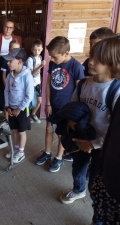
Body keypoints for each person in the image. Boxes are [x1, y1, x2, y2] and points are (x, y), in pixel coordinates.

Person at [60, 36, 120, 225]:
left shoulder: (115, 91)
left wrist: (93, 144)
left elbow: (115, 131)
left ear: (113, 64)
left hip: (102, 148)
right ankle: (78, 190)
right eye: (91, 55)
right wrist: (71, 122)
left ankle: (98, 217)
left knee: (97, 183)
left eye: (99, 60)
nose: (91, 62)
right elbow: (72, 105)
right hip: (81, 139)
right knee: (77, 170)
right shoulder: (84, 84)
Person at [34, 36, 84, 172]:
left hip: (66, 108)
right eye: (51, 57)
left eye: (55, 57)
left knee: (62, 133)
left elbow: (79, 92)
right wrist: (47, 103)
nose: (52, 60)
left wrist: (72, 111)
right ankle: (47, 152)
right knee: (49, 128)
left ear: (66, 53)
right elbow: (49, 84)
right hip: (53, 105)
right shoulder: (52, 63)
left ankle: (59, 158)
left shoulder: (76, 67)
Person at [3, 48, 34, 163]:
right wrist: (7, 106)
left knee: (21, 131)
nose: (8, 63)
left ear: (20, 62)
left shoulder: (27, 76)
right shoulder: (10, 75)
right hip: (11, 108)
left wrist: (19, 109)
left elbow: (29, 95)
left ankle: (21, 152)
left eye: (10, 61)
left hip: (22, 109)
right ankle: (15, 150)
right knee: (14, 130)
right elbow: (6, 91)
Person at [0, 18, 22, 114]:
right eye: (6, 27)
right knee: (0, 84)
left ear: (13, 29)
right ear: (3, 27)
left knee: (13, 82)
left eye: (10, 27)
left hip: (12, 61)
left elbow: (19, 52)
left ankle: (12, 104)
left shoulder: (17, 39)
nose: (8, 29)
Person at [25, 39, 46, 123]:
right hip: (31, 84)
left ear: (42, 49)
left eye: (39, 49)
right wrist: (40, 66)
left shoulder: (40, 58)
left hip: (37, 83)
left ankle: (33, 114)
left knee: (39, 101)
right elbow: (31, 74)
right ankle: (27, 116)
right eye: (35, 49)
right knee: (29, 102)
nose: (37, 51)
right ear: (31, 49)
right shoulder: (30, 59)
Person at [0, 39, 21, 119]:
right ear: (9, 50)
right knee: (7, 103)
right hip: (8, 86)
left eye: (17, 50)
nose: (15, 52)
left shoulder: (20, 60)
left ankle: (15, 119)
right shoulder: (5, 60)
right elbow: (3, 75)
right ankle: (6, 120)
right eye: (13, 50)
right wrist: (7, 88)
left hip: (17, 87)